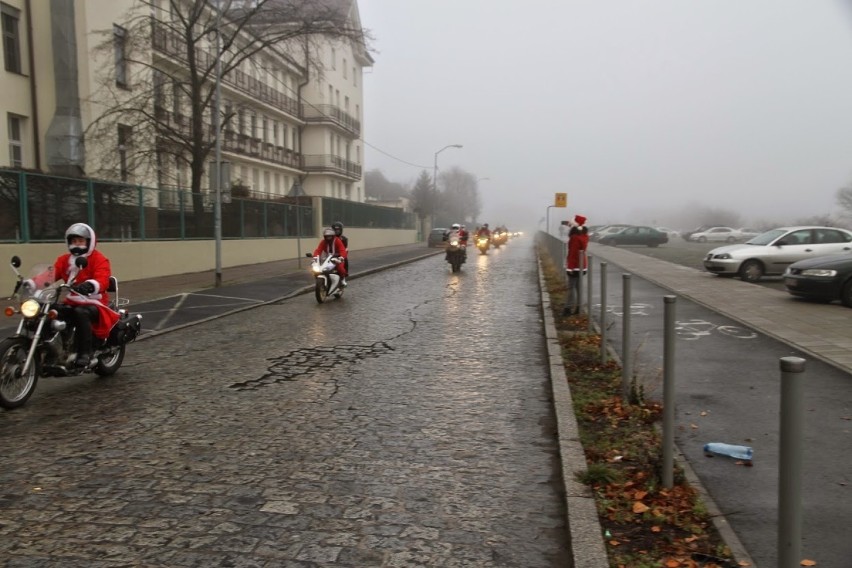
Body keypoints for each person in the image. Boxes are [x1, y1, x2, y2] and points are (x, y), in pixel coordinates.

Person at [53, 223, 120, 367]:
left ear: (89, 242)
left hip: (95, 302)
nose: (77, 244)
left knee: (80, 312)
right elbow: (50, 274)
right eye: (74, 241)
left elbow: (103, 279)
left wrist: (90, 285)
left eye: (81, 241)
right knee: (51, 310)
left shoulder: (99, 259)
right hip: (73, 300)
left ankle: (85, 352)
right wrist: (31, 283)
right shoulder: (64, 260)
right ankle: (57, 347)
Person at [563, 214, 589, 316]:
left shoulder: (574, 237)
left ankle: (568, 308)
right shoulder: (584, 235)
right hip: (582, 265)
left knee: (571, 287)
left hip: (574, 266)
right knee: (578, 287)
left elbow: (573, 253)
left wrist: (570, 267)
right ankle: (579, 308)